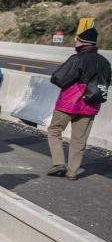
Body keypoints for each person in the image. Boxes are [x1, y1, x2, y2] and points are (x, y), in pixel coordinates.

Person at [46, 27, 110, 180]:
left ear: (82, 43)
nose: (75, 42)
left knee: (54, 130)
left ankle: (59, 163)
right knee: (79, 139)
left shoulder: (77, 59)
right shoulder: (105, 62)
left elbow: (59, 78)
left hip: (70, 102)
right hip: (91, 105)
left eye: (77, 40)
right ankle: (72, 172)